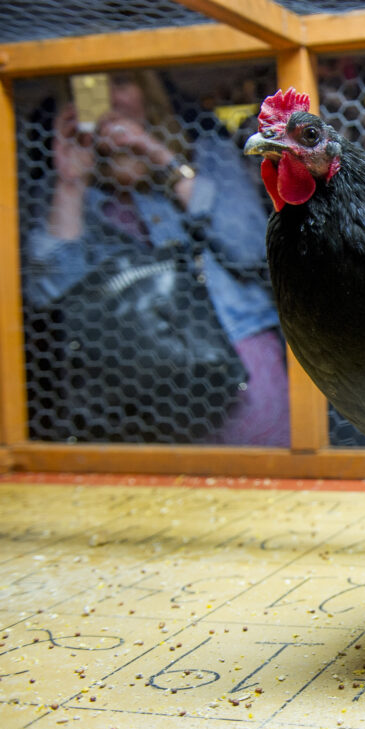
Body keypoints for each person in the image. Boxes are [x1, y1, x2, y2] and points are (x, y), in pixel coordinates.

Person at [23, 71, 289, 447]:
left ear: (147, 93)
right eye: (91, 89)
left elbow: (250, 248)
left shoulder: (206, 152)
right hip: (137, 387)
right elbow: (47, 292)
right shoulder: (66, 186)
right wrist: (70, 184)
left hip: (240, 363)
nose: (110, 100)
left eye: (121, 83)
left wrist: (161, 157)